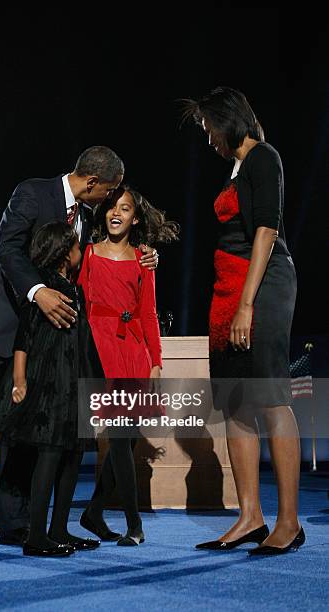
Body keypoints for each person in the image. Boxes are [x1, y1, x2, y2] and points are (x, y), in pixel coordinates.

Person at [0, 145, 158, 553]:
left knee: (23, 433)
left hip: (40, 338)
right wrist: (37, 292)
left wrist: (147, 255)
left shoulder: (86, 217)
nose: (108, 201)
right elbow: (8, 251)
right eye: (107, 192)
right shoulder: (31, 194)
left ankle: (17, 524)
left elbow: (100, 259)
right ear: (91, 183)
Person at [181, 87, 303, 555]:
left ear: (227, 120)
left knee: (270, 397)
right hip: (229, 288)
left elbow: (267, 231)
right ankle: (250, 516)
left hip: (264, 285)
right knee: (234, 403)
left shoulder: (263, 157)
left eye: (207, 126)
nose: (207, 137)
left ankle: (288, 522)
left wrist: (247, 305)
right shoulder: (234, 167)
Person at [0, 221, 104, 556]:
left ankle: (59, 529)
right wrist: (20, 381)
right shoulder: (43, 289)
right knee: (51, 453)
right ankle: (36, 536)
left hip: (72, 383)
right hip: (46, 385)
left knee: (73, 452)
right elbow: (23, 338)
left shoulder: (75, 290)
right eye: (76, 246)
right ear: (64, 252)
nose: (80, 252)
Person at [77, 186, 179, 546]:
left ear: (135, 218)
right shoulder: (87, 254)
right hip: (99, 351)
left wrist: (155, 361)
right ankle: (135, 525)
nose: (117, 212)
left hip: (134, 352)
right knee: (119, 439)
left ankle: (93, 512)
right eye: (112, 207)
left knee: (127, 440)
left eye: (125, 208)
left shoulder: (144, 259)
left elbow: (149, 314)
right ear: (104, 214)